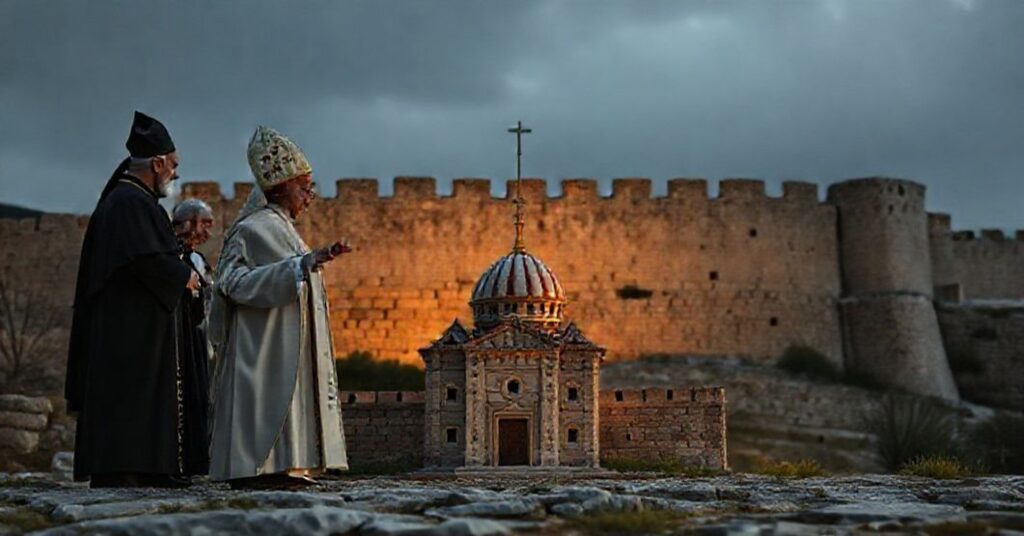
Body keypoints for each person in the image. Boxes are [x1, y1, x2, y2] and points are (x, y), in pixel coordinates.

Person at [208, 126, 350, 489]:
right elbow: (231, 282)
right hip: (262, 343)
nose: (311, 197)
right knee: (266, 400)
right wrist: (299, 266)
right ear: (282, 186)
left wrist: (310, 263)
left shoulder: (286, 228)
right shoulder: (253, 228)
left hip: (289, 340)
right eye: (305, 188)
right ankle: (258, 468)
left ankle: (289, 465)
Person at [65, 111, 202, 488]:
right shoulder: (129, 202)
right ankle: (132, 468)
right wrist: (183, 276)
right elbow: (144, 259)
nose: (175, 173)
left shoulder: (132, 199)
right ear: (157, 163)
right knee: (133, 396)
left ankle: (147, 468)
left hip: (136, 325)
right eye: (173, 165)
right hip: (128, 331)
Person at [171, 198, 217, 477]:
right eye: (206, 225)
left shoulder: (199, 259)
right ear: (190, 223)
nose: (208, 233)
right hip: (178, 337)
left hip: (198, 337)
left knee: (200, 396)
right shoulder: (169, 256)